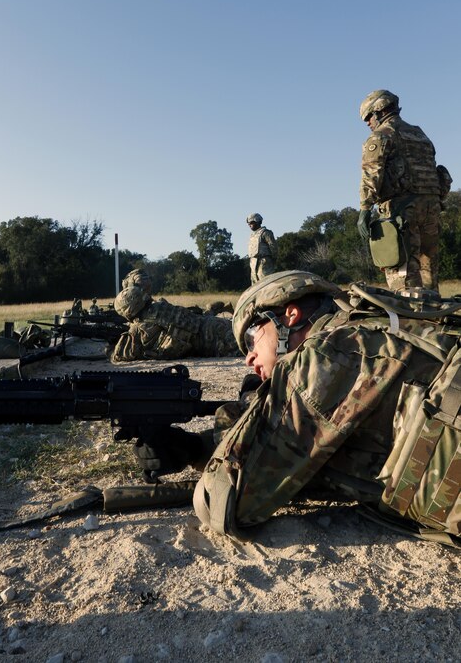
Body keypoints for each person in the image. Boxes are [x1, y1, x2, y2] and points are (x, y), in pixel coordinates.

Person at [132, 270, 461, 545]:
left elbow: (223, 506)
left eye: (251, 338)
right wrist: (214, 440)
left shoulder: (327, 355)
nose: (248, 358)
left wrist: (196, 447)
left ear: (290, 315)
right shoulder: (374, 330)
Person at [357, 89, 452, 291]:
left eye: (368, 117)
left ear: (379, 111)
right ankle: (433, 318)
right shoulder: (420, 135)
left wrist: (365, 209)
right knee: (428, 274)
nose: (367, 123)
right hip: (432, 209)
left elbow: (372, 174)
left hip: (402, 211)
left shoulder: (381, 136)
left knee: (402, 274)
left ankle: (409, 319)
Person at [111, 283, 239, 361]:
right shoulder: (161, 306)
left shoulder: (141, 330)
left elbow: (118, 355)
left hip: (215, 345)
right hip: (214, 324)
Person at [246, 213, 277, 284]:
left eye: (251, 223)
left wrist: (273, 260)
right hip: (253, 263)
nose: (249, 225)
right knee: (255, 286)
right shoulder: (252, 235)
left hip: (264, 262)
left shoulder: (265, 233)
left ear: (257, 221)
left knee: (266, 283)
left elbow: (273, 247)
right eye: (248, 224)